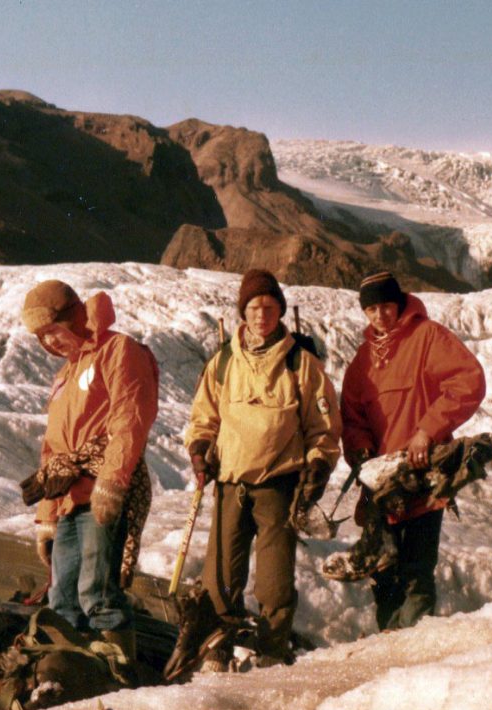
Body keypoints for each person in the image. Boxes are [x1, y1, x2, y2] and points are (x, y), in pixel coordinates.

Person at [185, 269, 341, 664]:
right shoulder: (223, 361)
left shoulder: (300, 364)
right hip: (229, 483)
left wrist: (318, 467)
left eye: (269, 307)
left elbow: (323, 429)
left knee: (274, 584)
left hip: (278, 486)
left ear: (280, 311)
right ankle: (218, 651)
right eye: (254, 307)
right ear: (243, 312)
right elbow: (203, 417)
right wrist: (200, 449)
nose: (261, 315)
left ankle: (271, 653)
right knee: (219, 580)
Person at [20, 280, 159, 659]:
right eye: (41, 337)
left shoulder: (118, 350)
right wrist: (46, 517)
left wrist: (112, 484)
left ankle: (120, 672)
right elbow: (54, 452)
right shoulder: (65, 375)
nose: (49, 343)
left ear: (72, 318)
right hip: (68, 502)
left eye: (53, 331)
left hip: (100, 493)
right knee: (63, 600)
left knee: (97, 595)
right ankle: (73, 675)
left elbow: (130, 418)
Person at [341, 271, 486, 630]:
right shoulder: (362, 360)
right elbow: (352, 417)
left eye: (386, 306)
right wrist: (360, 452)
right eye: (371, 309)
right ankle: (390, 642)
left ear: (399, 303)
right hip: (380, 485)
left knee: (417, 570)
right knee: (383, 570)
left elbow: (468, 380)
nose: (379, 315)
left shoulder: (428, 337)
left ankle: (411, 655)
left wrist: (427, 431)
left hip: (424, 474)